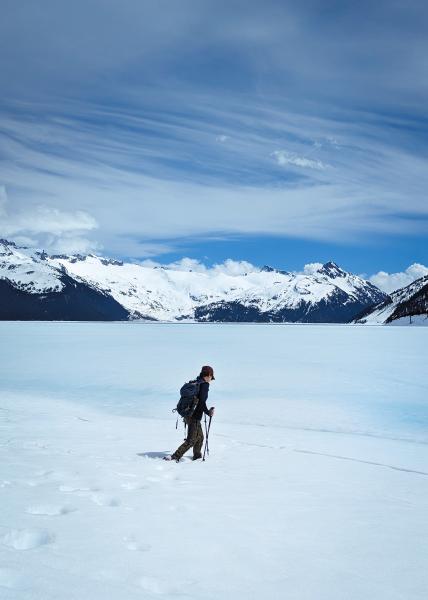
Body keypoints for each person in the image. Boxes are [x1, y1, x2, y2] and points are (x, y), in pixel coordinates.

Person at [165, 365, 215, 462]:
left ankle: (197, 457)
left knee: (200, 437)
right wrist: (208, 412)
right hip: (194, 416)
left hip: (188, 414)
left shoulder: (196, 382)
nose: (211, 380)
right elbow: (201, 402)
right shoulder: (204, 385)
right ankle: (174, 456)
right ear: (208, 375)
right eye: (211, 377)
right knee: (191, 440)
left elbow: (199, 401)